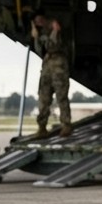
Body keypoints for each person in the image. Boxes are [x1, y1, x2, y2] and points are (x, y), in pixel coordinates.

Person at [31, 10, 72, 138]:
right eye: (36, 22)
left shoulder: (56, 27)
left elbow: (53, 46)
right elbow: (40, 51)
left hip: (59, 66)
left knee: (61, 96)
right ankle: (42, 127)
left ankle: (66, 125)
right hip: (46, 67)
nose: (39, 23)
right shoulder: (41, 32)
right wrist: (36, 37)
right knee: (43, 97)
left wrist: (54, 31)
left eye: (40, 20)